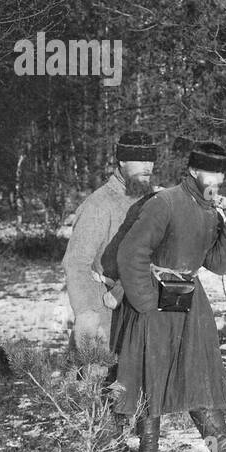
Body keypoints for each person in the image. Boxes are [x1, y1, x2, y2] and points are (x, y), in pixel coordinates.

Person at [111, 142, 226, 452]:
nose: (217, 179)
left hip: (187, 299)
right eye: (211, 172)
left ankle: (223, 451)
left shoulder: (210, 210)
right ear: (193, 170)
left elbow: (218, 263)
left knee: (199, 374)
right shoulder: (164, 203)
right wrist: (146, 302)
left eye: (221, 173)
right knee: (152, 374)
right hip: (153, 301)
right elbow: (131, 253)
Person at [63, 130, 157, 352]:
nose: (148, 166)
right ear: (122, 160)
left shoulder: (152, 200)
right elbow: (76, 264)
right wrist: (86, 314)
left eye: (150, 159)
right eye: (140, 159)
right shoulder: (99, 205)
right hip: (106, 306)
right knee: (98, 377)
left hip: (144, 304)